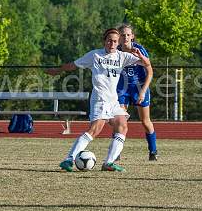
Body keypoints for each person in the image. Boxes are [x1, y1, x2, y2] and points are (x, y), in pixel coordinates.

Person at [46, 28, 151, 172]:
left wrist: (141, 56)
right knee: (95, 130)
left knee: (122, 126)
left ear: (118, 42)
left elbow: (147, 64)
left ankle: (109, 162)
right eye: (109, 41)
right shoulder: (95, 55)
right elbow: (72, 65)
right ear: (104, 41)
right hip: (100, 99)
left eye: (115, 41)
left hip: (113, 101)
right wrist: (58, 70)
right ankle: (69, 159)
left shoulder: (122, 56)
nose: (112, 44)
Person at [116, 24, 157, 161]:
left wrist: (143, 92)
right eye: (122, 35)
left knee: (145, 121)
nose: (125, 37)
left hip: (139, 88)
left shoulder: (138, 50)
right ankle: (116, 153)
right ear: (119, 37)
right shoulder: (115, 50)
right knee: (120, 121)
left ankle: (153, 151)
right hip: (122, 89)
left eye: (128, 34)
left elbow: (150, 71)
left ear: (132, 36)